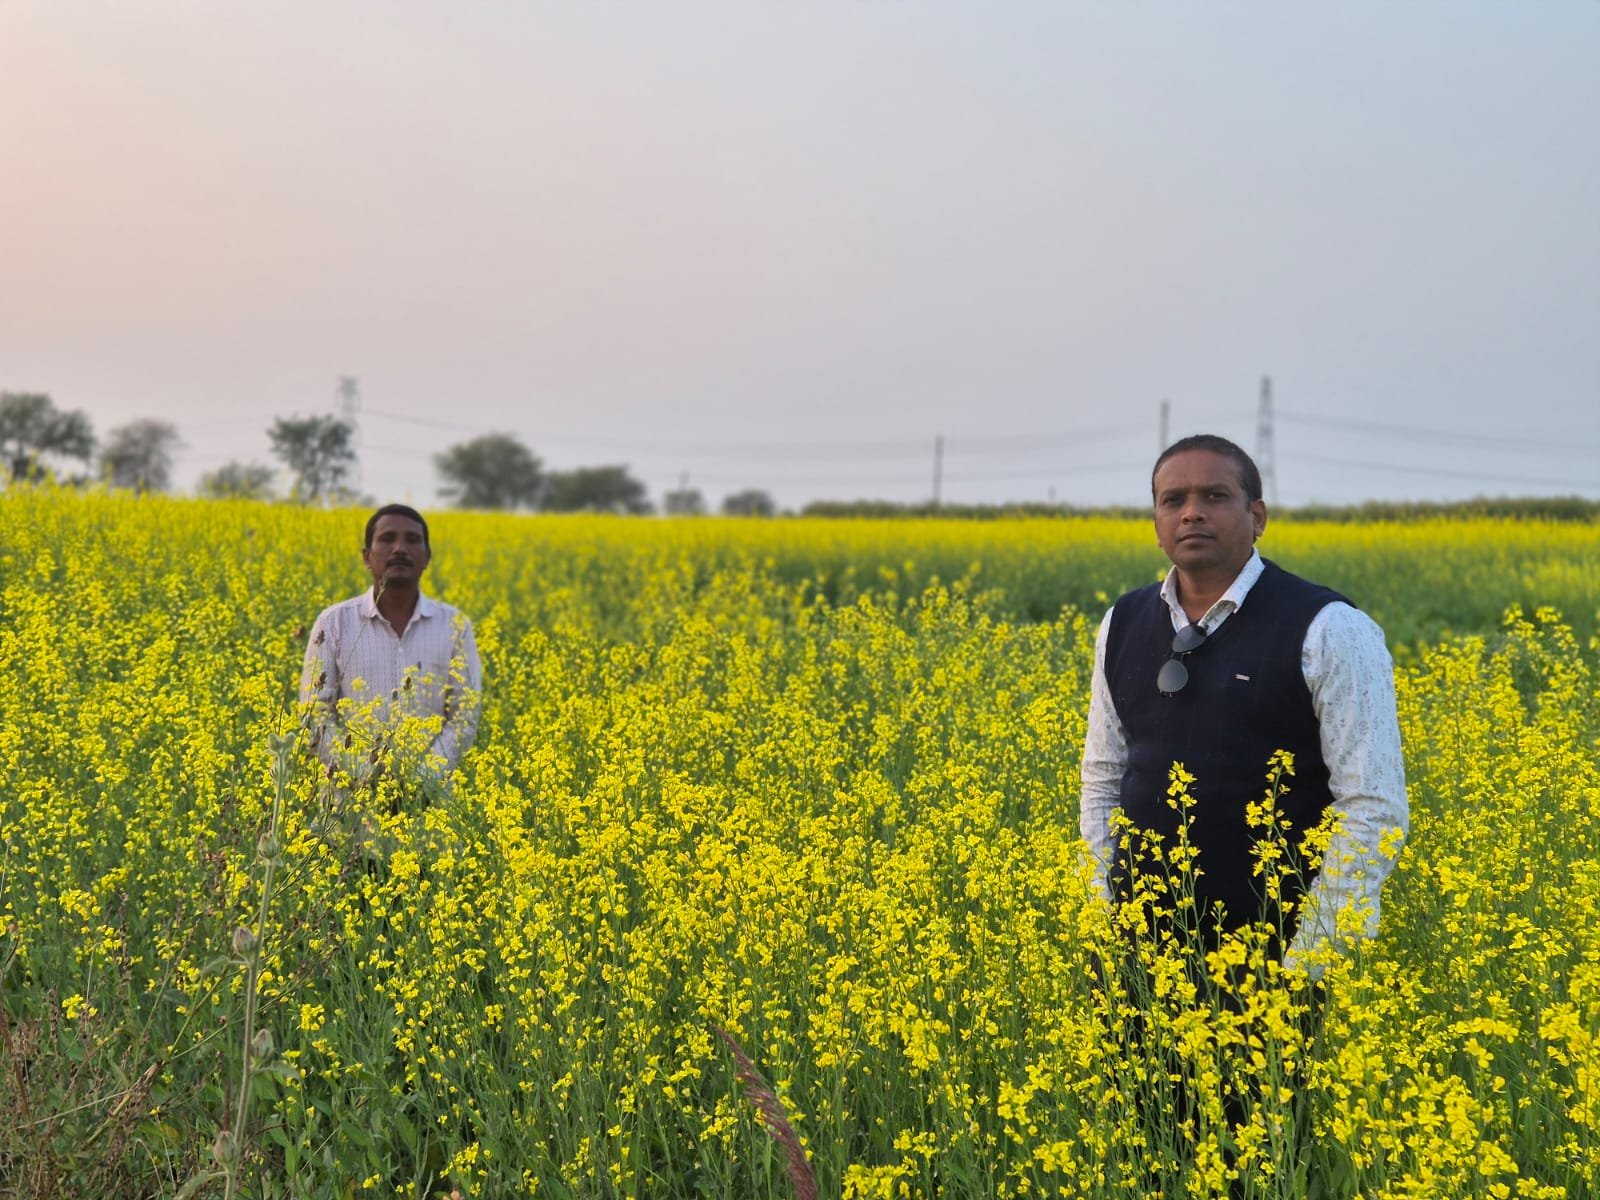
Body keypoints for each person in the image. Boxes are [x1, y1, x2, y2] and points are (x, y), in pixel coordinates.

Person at [1080, 434, 1409, 1187]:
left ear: (1257, 515)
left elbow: (1373, 808)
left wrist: (1307, 972)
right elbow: (1103, 779)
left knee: (1258, 1166)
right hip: (1139, 954)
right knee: (1147, 1153)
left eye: (1215, 496)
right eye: (1174, 499)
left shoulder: (1330, 628)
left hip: (1273, 958)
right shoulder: (1123, 623)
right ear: (1156, 519)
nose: (1192, 512)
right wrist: (1110, 914)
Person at [300, 504, 482, 778]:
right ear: (367, 556)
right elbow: (315, 714)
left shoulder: (455, 626)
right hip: (350, 807)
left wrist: (423, 779)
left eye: (412, 540)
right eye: (387, 539)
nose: (399, 548)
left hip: (430, 806)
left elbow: (464, 716)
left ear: (427, 557)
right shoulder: (333, 623)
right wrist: (363, 776)